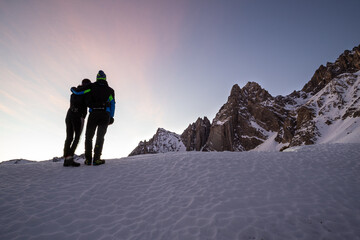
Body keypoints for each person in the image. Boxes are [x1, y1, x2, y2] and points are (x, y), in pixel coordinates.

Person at [71, 70, 115, 165]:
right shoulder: (110, 90)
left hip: (93, 114)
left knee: (89, 137)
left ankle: (88, 160)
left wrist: (73, 89)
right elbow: (112, 104)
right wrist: (111, 117)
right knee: (100, 137)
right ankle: (96, 159)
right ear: (105, 78)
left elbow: (78, 92)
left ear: (97, 77)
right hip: (105, 115)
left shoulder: (91, 87)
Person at [63, 78, 92, 167]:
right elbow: (89, 104)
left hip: (69, 115)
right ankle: (69, 158)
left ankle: (66, 159)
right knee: (76, 138)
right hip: (78, 117)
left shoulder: (74, 92)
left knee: (69, 137)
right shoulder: (86, 93)